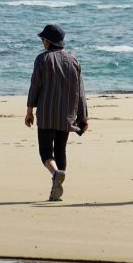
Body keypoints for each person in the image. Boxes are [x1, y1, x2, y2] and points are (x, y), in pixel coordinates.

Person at [25, 24, 88, 202]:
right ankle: (57, 188)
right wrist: (83, 117)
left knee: (46, 152)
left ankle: (55, 174)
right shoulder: (73, 60)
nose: (42, 42)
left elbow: (35, 86)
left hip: (46, 114)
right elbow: (80, 91)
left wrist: (30, 110)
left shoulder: (42, 59)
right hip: (67, 115)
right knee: (60, 150)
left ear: (48, 41)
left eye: (43, 39)